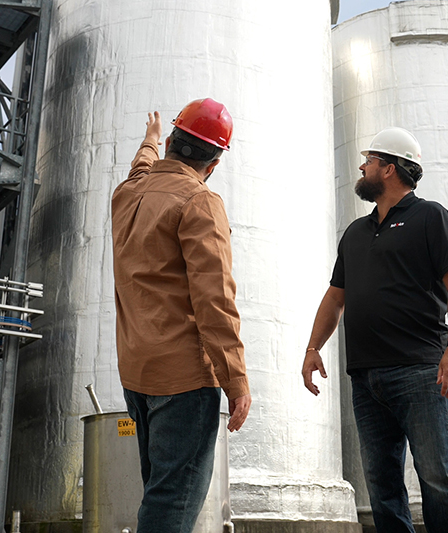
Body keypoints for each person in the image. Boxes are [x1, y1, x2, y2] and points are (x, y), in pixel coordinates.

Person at [302, 127, 448, 532]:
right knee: (381, 487)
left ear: (390, 169)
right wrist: (313, 348)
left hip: (420, 371)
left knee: (437, 480)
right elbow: (334, 298)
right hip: (366, 378)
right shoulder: (356, 233)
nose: (362, 166)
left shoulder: (430, 216)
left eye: (370, 161)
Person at [112, 98, 251, 532]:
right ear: (215, 163)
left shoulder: (127, 194)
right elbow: (215, 301)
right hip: (185, 380)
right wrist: (236, 379)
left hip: (137, 375)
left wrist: (149, 141)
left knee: (158, 492)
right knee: (171, 505)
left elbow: (141, 169)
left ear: (173, 141)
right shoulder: (199, 202)